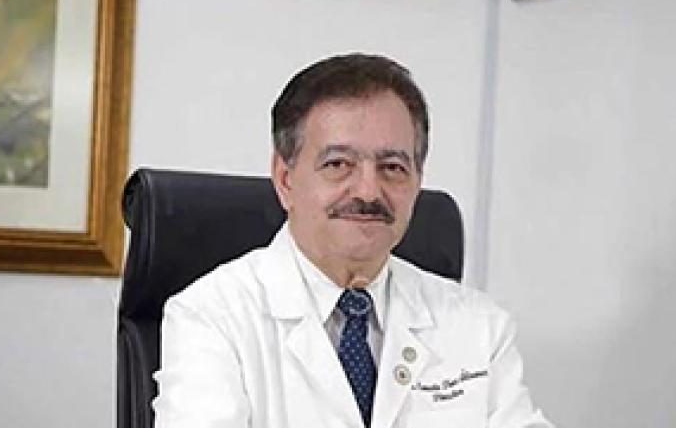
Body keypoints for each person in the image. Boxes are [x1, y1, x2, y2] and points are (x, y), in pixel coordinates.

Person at [153, 53, 553, 428]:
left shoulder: (479, 327)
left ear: (418, 181)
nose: (368, 191)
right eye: (338, 164)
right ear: (285, 179)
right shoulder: (211, 317)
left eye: (392, 167)